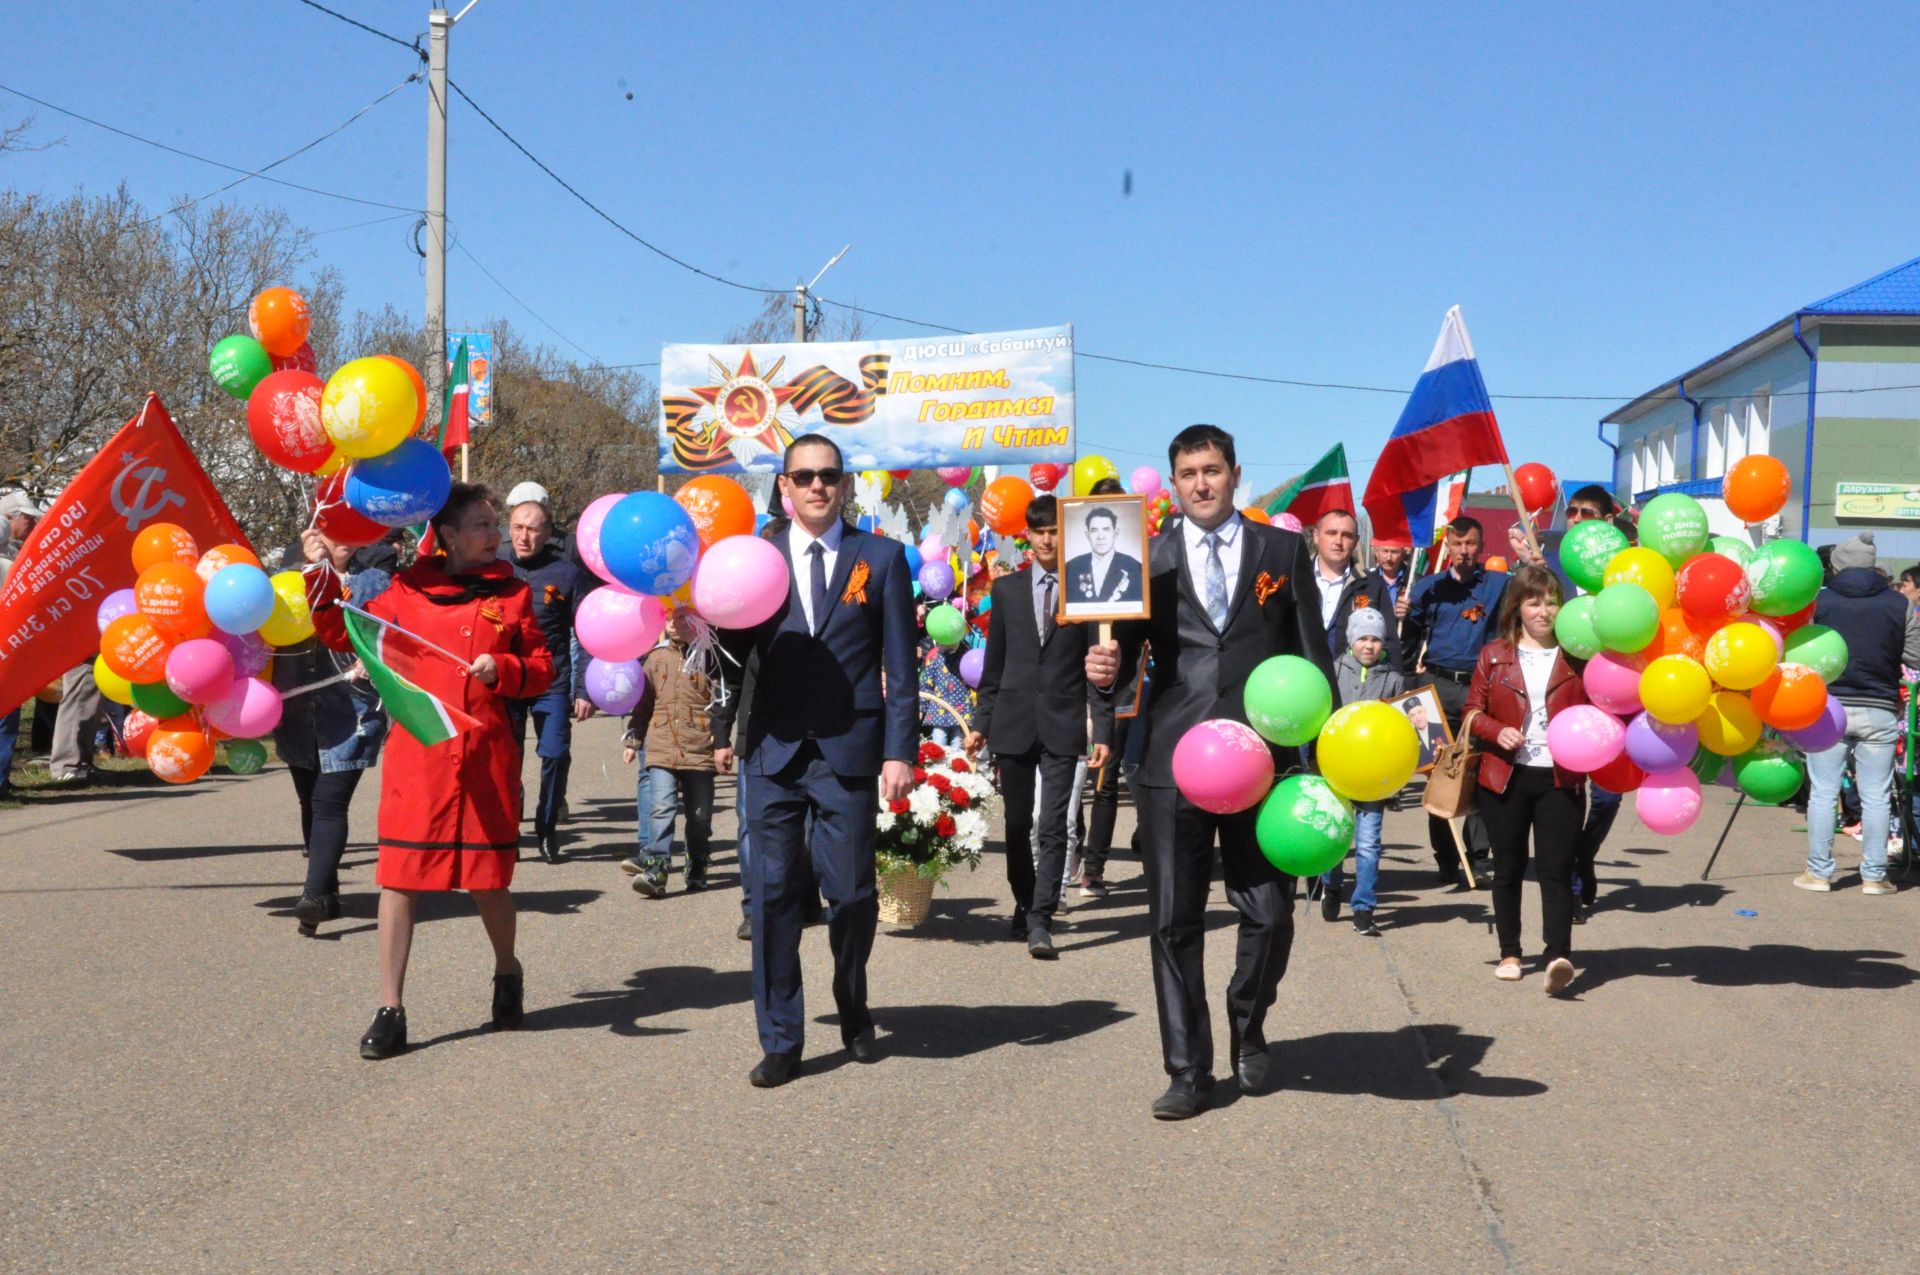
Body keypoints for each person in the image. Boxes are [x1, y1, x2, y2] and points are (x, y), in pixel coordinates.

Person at [1087, 424, 1335, 1120]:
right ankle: (1188, 1069)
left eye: (1213, 469)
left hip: (1265, 760)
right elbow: (1122, 658)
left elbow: (1313, 659)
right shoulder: (1146, 557)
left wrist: (1321, 767)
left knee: (1271, 911)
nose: (1201, 482)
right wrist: (1102, 675)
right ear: (1174, 483)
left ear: (1235, 475)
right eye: (1188, 472)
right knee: (1172, 921)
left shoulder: (1283, 550)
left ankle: (1247, 1020)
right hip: (1173, 759)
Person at [305, 483, 555, 1059]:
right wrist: (322, 576)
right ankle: (391, 1008)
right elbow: (344, 630)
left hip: (485, 758)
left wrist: (507, 668)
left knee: (489, 884)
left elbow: (542, 668)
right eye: (482, 525)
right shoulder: (406, 589)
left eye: (495, 524)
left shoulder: (514, 594)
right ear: (446, 535)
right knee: (400, 880)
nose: (495, 535)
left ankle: (506, 969)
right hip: (419, 760)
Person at [710, 434, 916, 1088]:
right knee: (771, 896)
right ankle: (781, 1036)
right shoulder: (754, 557)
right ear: (784, 487)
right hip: (771, 750)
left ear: (844, 484)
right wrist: (721, 727)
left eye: (829, 475)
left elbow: (900, 668)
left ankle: (852, 1002)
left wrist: (899, 751)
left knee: (852, 894)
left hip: (848, 752)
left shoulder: (880, 558)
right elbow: (729, 657)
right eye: (804, 476)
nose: (817, 485)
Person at [966, 494, 1112, 958]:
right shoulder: (1007, 590)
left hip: (1063, 722)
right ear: (1025, 535)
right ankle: (1025, 899)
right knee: (1014, 824)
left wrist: (1103, 729)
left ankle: (1041, 916)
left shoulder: (1086, 590)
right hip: (1011, 722)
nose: (1047, 539)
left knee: (1052, 826)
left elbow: (1099, 668)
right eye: (1039, 531)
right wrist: (980, 723)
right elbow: (995, 665)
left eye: (1055, 531)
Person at [1463, 564, 1588, 995]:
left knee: (1556, 867)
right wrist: (1497, 731)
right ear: (1517, 607)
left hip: (1561, 776)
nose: (1544, 611)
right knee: (1509, 867)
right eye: (1534, 601)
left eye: (1552, 601)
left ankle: (1558, 956)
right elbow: (1471, 712)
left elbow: (1597, 712)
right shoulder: (1494, 654)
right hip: (1504, 776)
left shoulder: (1577, 655)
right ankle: (1511, 953)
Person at [278, 532, 392, 936]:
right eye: (332, 531)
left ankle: (311, 895)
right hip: (297, 712)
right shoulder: (285, 581)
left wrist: (370, 656)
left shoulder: (375, 582)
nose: (341, 540)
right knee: (309, 801)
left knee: (329, 801)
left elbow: (388, 635)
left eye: (350, 531)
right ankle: (326, 893)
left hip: (352, 712)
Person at [1799, 533, 1920, 894]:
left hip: (1828, 708)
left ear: (1836, 565)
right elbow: (1915, 656)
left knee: (1822, 792)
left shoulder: (1818, 602)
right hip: (1880, 707)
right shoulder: (1901, 605)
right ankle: (1874, 876)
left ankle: (1819, 874)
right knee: (1876, 795)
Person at [1399, 515, 1508, 883]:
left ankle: (1477, 858)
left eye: (1471, 544)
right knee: (1439, 775)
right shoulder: (1427, 587)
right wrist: (1404, 616)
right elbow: (1408, 637)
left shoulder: (1499, 584)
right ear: (1448, 544)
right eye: (1457, 544)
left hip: (1480, 689)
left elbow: (1540, 592)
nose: (1463, 551)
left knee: (1479, 773)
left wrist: (1536, 563)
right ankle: (1447, 857)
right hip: (1436, 687)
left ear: (1480, 545)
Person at [505, 484, 597, 864]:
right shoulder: (494, 570)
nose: (524, 536)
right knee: (505, 759)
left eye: (532, 529)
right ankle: (508, 828)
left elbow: (588, 632)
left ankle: (546, 829)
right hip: (505, 680)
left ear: (547, 533)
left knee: (555, 754)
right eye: (517, 528)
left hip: (551, 682)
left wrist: (584, 688)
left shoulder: (567, 574)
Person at [1319, 608, 1403, 934]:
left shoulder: (1393, 679)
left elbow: (1402, 731)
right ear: (1352, 640)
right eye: (1363, 638)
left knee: (1368, 844)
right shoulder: (1333, 672)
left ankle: (1364, 907)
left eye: (1376, 639)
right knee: (1337, 837)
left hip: (1373, 777)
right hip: (1337, 771)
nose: (1369, 645)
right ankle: (1331, 884)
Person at [625, 610, 717, 898]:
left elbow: (722, 701)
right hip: (662, 745)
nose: (675, 626)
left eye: (683, 620)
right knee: (661, 807)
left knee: (700, 816)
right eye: (669, 620)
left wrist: (722, 738)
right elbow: (643, 703)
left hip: (700, 746)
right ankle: (657, 867)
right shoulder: (656, 658)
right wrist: (633, 736)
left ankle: (698, 864)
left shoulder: (710, 659)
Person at [1309, 508, 1400, 668]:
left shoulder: (1372, 585)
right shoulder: (1295, 578)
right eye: (1331, 533)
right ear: (1316, 536)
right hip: (1299, 682)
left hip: (1352, 686)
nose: (1338, 541)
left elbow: (1390, 642)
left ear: (1356, 541)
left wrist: (1395, 684)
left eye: (1346, 535)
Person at [1064, 505, 1144, 607]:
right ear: (1087, 535)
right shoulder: (1071, 567)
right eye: (1094, 530)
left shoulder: (1134, 567)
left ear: (1116, 533)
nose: (1100, 536)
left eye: (1106, 529)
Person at [1368, 540, 1413, 616]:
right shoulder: (1366, 582)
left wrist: (1410, 613)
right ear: (1377, 552)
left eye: (1394, 552)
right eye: (1385, 551)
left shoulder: (1415, 581)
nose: (1389, 558)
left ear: (1403, 554)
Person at [1405, 696, 1443, 767]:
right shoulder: (1408, 739)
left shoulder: (1441, 728)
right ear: (1409, 719)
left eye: (1420, 712)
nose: (1418, 718)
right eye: (1413, 715)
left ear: (1425, 712)